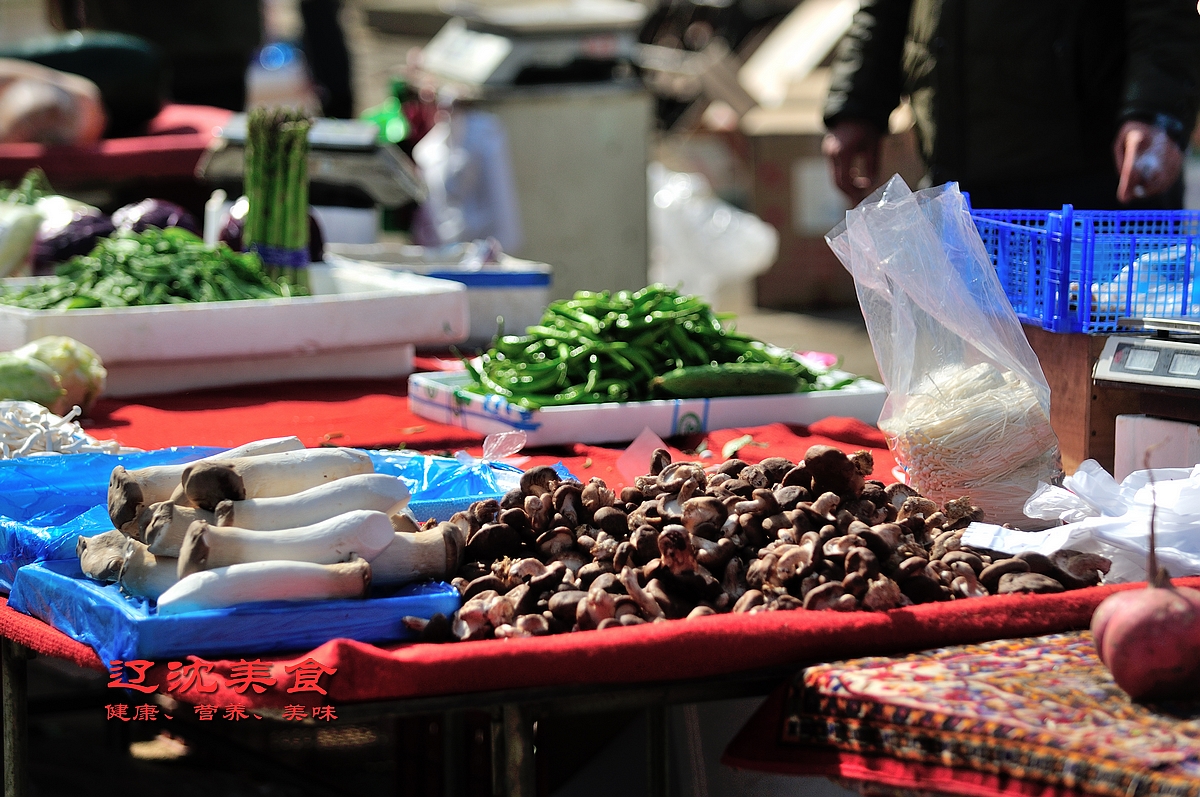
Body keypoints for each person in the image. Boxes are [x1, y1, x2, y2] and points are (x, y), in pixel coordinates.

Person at [821, 0, 1200, 209]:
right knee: (966, 350)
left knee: (1093, 345)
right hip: (958, 174)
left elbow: (1165, 12)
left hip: (1090, 181)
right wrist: (858, 103)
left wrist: (1155, 111)